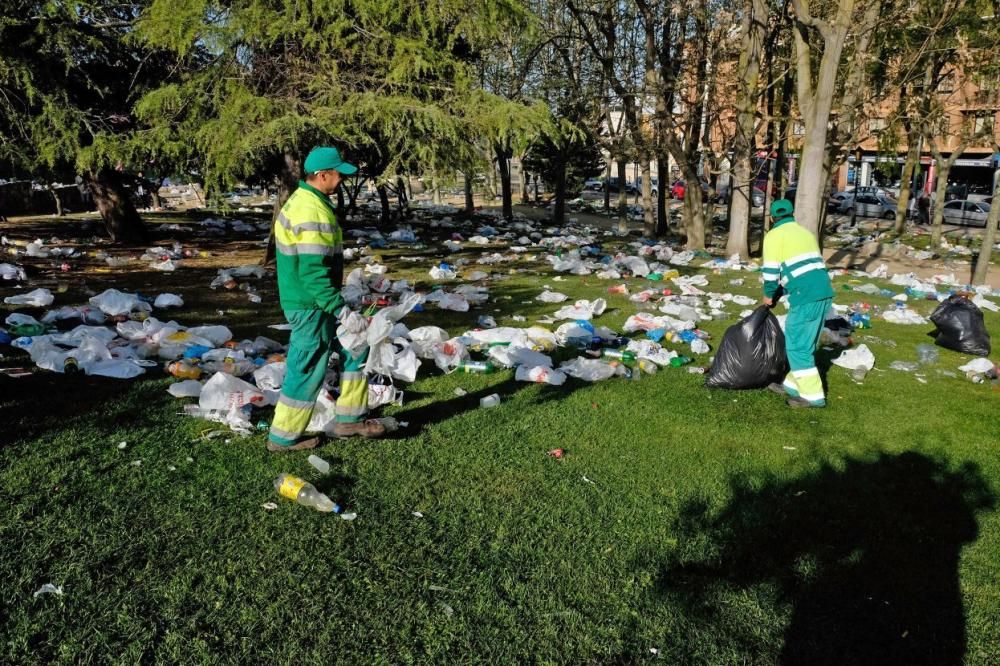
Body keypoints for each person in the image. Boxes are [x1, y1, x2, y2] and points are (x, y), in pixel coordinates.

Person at [267, 146, 385, 452]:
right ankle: (283, 437)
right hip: (310, 304)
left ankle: (350, 419)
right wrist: (343, 312)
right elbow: (312, 275)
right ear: (322, 175)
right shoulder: (311, 211)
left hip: (315, 301)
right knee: (306, 366)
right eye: (337, 174)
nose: (341, 181)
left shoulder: (307, 201)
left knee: (356, 345)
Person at [761, 199, 835, 408]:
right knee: (805, 343)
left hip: (806, 296)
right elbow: (802, 268)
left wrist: (768, 295)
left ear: (772, 217)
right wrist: (780, 292)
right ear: (792, 214)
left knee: (798, 345)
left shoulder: (774, 235)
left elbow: (771, 272)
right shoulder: (805, 233)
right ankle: (793, 385)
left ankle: (813, 397)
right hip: (823, 291)